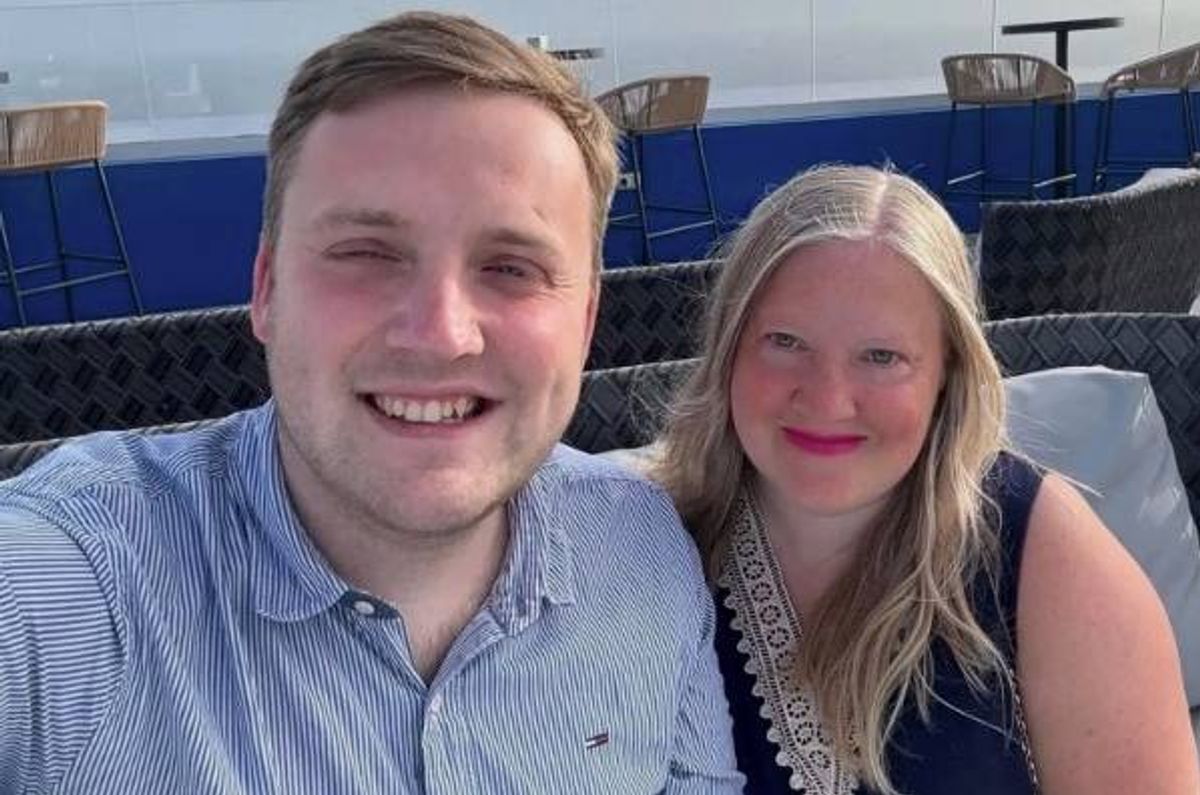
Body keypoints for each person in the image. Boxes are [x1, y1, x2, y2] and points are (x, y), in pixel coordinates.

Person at [0, 12, 742, 793]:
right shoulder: (76, 588)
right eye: (366, 253)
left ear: (586, 320)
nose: (440, 334)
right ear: (266, 290)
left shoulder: (642, 548)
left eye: (511, 267)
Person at [652, 164, 1198, 794]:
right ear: (729, 349)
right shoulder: (650, 554)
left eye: (881, 357)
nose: (829, 399)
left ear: (947, 375)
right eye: (785, 341)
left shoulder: (1036, 550)